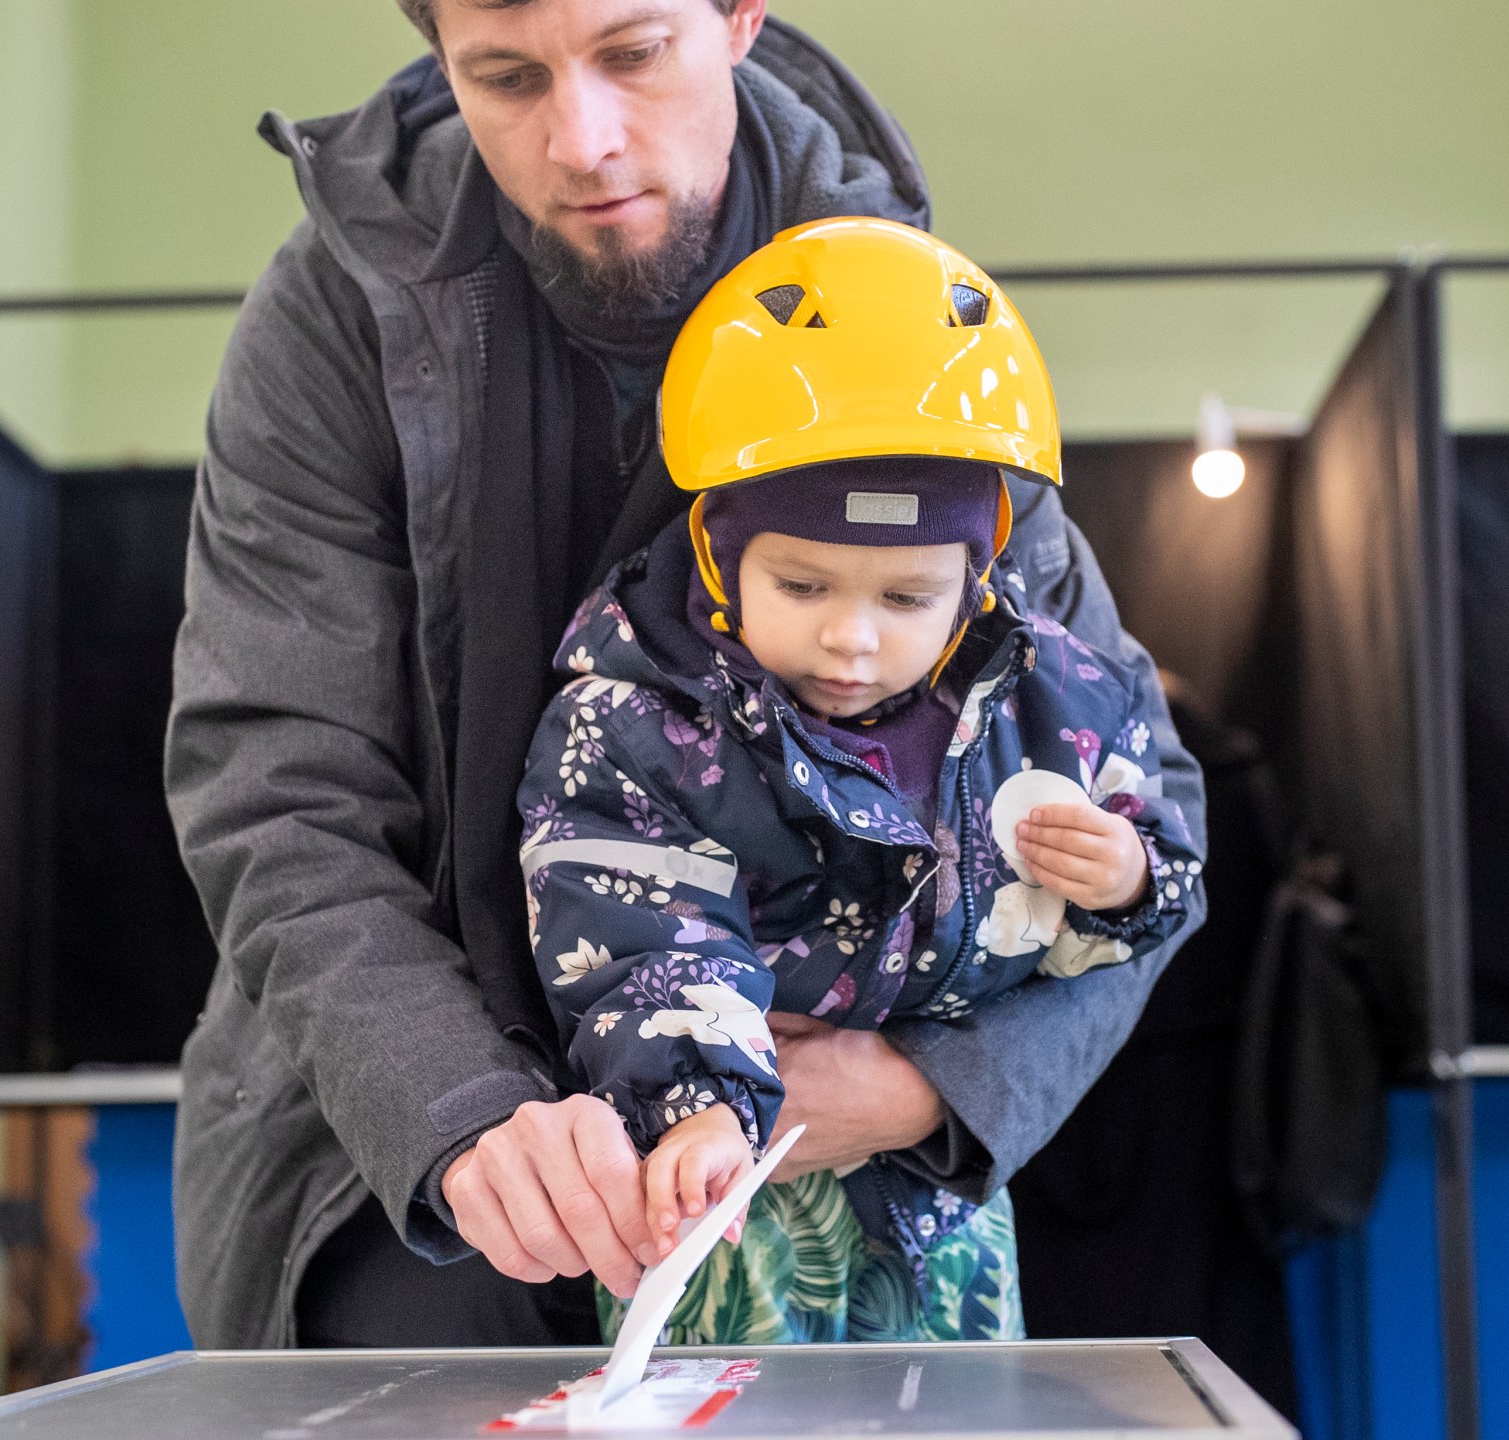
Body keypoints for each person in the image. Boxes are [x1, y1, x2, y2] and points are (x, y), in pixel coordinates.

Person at [164, 0, 1208, 1349]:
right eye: (505, 76)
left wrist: (929, 1084)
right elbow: (277, 795)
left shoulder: (912, 316)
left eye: (634, 52)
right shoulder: (329, 321)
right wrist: (452, 1107)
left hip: (821, 1184)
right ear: (438, 56)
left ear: (739, 16)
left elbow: (1142, 801)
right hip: (406, 1163)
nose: (583, 139)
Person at [516, 219, 1206, 1342]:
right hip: (714, 1192)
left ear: (978, 578)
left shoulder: (1049, 706)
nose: (853, 641)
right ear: (714, 555)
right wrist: (692, 1102)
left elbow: (1139, 886)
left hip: (941, 1202)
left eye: (906, 599)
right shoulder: (635, 722)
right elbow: (637, 931)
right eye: (802, 585)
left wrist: (1129, 880)